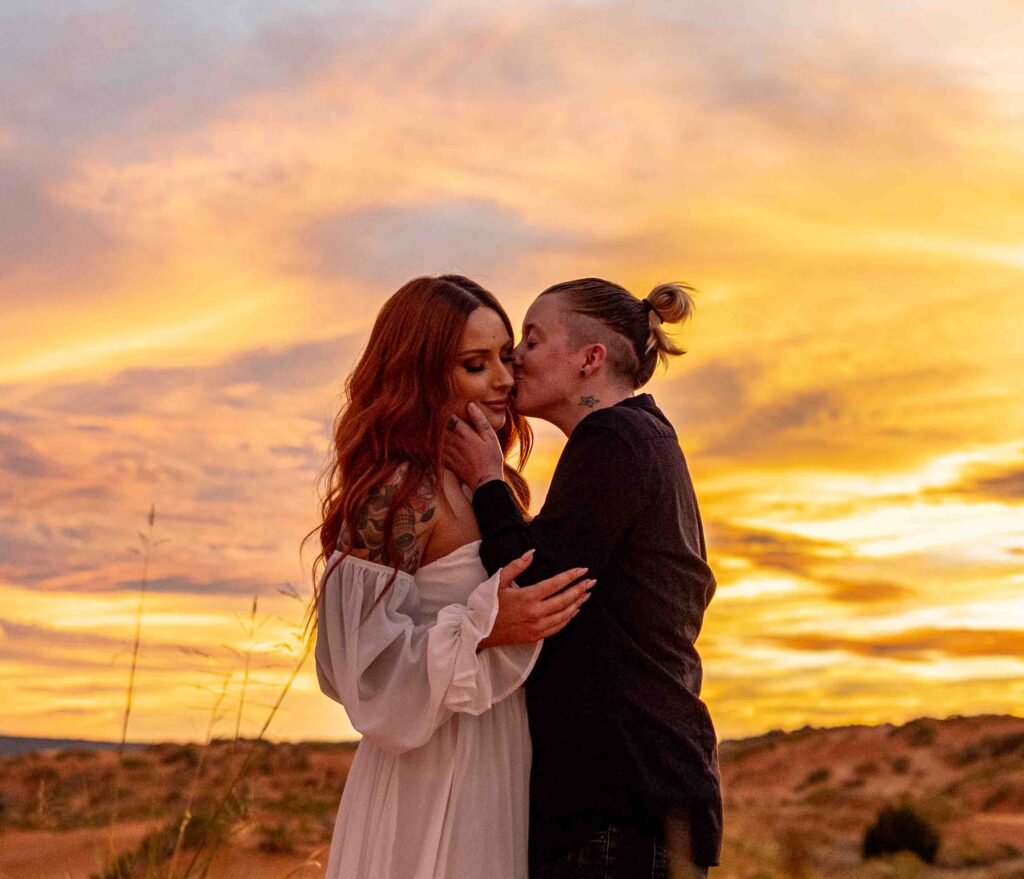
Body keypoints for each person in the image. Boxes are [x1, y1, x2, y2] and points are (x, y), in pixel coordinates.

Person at [303, 275, 595, 879]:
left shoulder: (496, 485)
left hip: (502, 751)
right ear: (422, 372)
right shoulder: (396, 493)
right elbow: (359, 668)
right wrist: (485, 629)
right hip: (428, 766)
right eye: (475, 364)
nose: (505, 380)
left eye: (506, 358)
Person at [446, 277, 722, 879]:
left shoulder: (615, 437)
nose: (515, 356)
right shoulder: (643, 440)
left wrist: (488, 482)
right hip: (642, 793)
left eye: (534, 339)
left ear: (589, 360)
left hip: (617, 803)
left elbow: (534, 581)